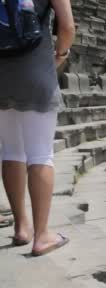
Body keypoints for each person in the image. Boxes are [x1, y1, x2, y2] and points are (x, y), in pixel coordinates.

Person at [0, 0, 74, 255]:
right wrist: (60, 55)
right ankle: (42, 236)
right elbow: (66, 27)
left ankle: (21, 227)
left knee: (11, 151)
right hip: (35, 70)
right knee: (41, 154)